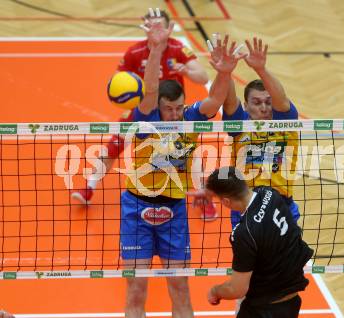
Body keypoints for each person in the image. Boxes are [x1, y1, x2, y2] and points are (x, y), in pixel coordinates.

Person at [119, 18, 244, 318]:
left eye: (178, 107)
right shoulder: (146, 119)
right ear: (158, 106)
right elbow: (150, 88)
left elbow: (214, 99)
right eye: (168, 108)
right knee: (136, 288)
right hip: (136, 209)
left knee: (179, 287)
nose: (174, 114)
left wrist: (223, 73)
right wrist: (157, 48)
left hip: (174, 211)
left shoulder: (189, 118)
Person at [70, 9, 217, 220]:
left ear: (168, 28)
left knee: (189, 152)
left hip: (172, 113)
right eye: (151, 24)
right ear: (144, 27)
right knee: (113, 145)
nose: (155, 29)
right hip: (145, 111)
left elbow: (202, 77)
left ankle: (204, 200)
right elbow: (119, 83)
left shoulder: (178, 48)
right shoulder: (134, 52)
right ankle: (89, 187)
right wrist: (128, 95)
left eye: (159, 25)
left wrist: (184, 70)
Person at [202, 167, 313, 318]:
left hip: (264, 310)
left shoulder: (244, 232)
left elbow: (237, 289)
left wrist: (215, 291)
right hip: (292, 302)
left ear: (226, 201)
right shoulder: (270, 193)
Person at [219, 36, 301, 228]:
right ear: (246, 106)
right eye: (257, 103)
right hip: (244, 205)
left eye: (268, 102)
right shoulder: (239, 126)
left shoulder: (286, 123)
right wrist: (225, 72)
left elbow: (281, 101)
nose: (264, 108)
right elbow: (230, 102)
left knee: (283, 258)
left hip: (281, 205)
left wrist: (261, 69)